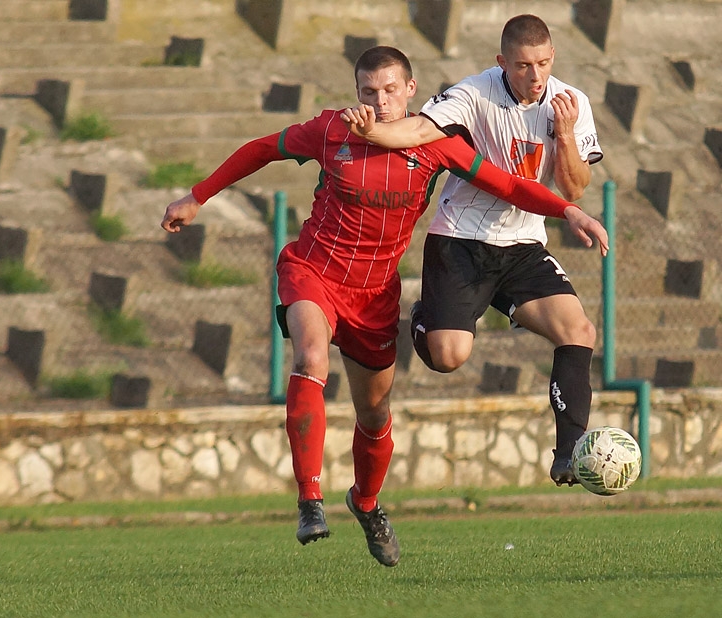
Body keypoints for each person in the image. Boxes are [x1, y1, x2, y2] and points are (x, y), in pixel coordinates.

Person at [161, 45, 607, 566]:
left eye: (391, 90)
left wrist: (569, 211)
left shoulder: (435, 145)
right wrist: (198, 195)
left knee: (374, 413)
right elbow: (262, 148)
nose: (380, 100)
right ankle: (310, 499)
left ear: (411, 90)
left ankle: (367, 504)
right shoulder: (332, 131)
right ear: (356, 94)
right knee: (311, 357)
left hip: (375, 295)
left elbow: (508, 184)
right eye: (369, 91)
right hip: (314, 271)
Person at [341, 15, 606, 487]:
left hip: (524, 244)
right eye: (524, 65)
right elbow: (420, 131)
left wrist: (564, 134)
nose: (536, 75)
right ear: (502, 62)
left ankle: (570, 453)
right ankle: (427, 315)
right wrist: (372, 133)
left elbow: (576, 187)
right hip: (461, 240)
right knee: (447, 356)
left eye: (543, 63)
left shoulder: (572, 103)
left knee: (579, 330)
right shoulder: (473, 93)